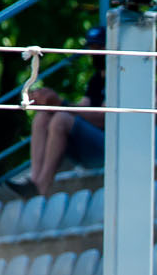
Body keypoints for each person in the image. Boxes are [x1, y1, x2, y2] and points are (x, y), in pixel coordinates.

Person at [22, 28, 108, 196]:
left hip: (110, 148)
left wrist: (61, 104)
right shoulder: (96, 80)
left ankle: (42, 186)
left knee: (61, 119)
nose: (93, 52)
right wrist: (49, 103)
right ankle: (34, 180)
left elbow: (104, 118)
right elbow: (84, 108)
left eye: (98, 47)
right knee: (43, 117)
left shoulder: (119, 77)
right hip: (91, 146)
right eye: (91, 47)